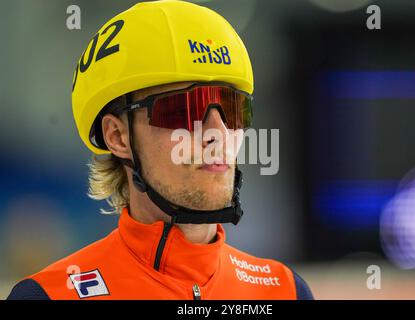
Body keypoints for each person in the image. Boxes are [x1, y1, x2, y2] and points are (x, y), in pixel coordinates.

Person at [7, 0, 313, 300]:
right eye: (184, 111)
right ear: (117, 136)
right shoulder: (50, 296)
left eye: (232, 110)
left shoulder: (285, 290)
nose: (219, 133)